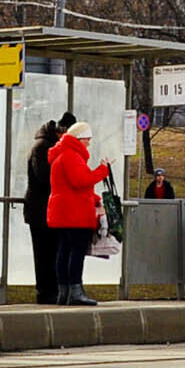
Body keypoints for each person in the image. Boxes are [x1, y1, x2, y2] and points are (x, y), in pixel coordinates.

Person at [45, 118, 107, 307]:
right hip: (74, 213)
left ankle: (63, 292)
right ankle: (75, 292)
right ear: (79, 139)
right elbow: (81, 180)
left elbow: (73, 185)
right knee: (76, 251)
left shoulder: (61, 155)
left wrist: (94, 198)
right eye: (87, 138)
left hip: (63, 211)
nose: (89, 142)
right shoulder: (72, 155)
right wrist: (102, 170)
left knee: (64, 251)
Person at [24, 119, 61, 303]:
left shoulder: (46, 145)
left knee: (49, 252)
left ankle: (49, 291)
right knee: (43, 253)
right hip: (39, 209)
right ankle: (45, 293)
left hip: (45, 208)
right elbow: (45, 177)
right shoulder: (42, 147)